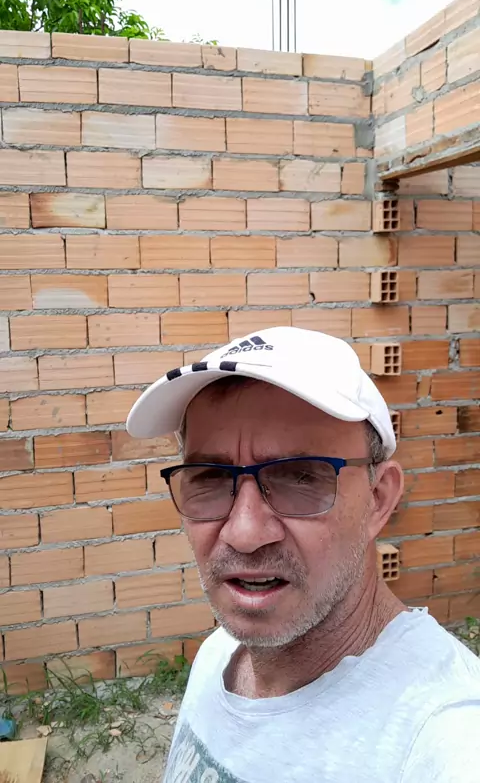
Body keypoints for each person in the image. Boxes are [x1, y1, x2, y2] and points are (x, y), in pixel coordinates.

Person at [127, 326, 480, 783]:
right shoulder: (220, 654)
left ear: (378, 500)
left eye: (301, 477)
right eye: (210, 477)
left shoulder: (444, 734)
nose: (245, 533)